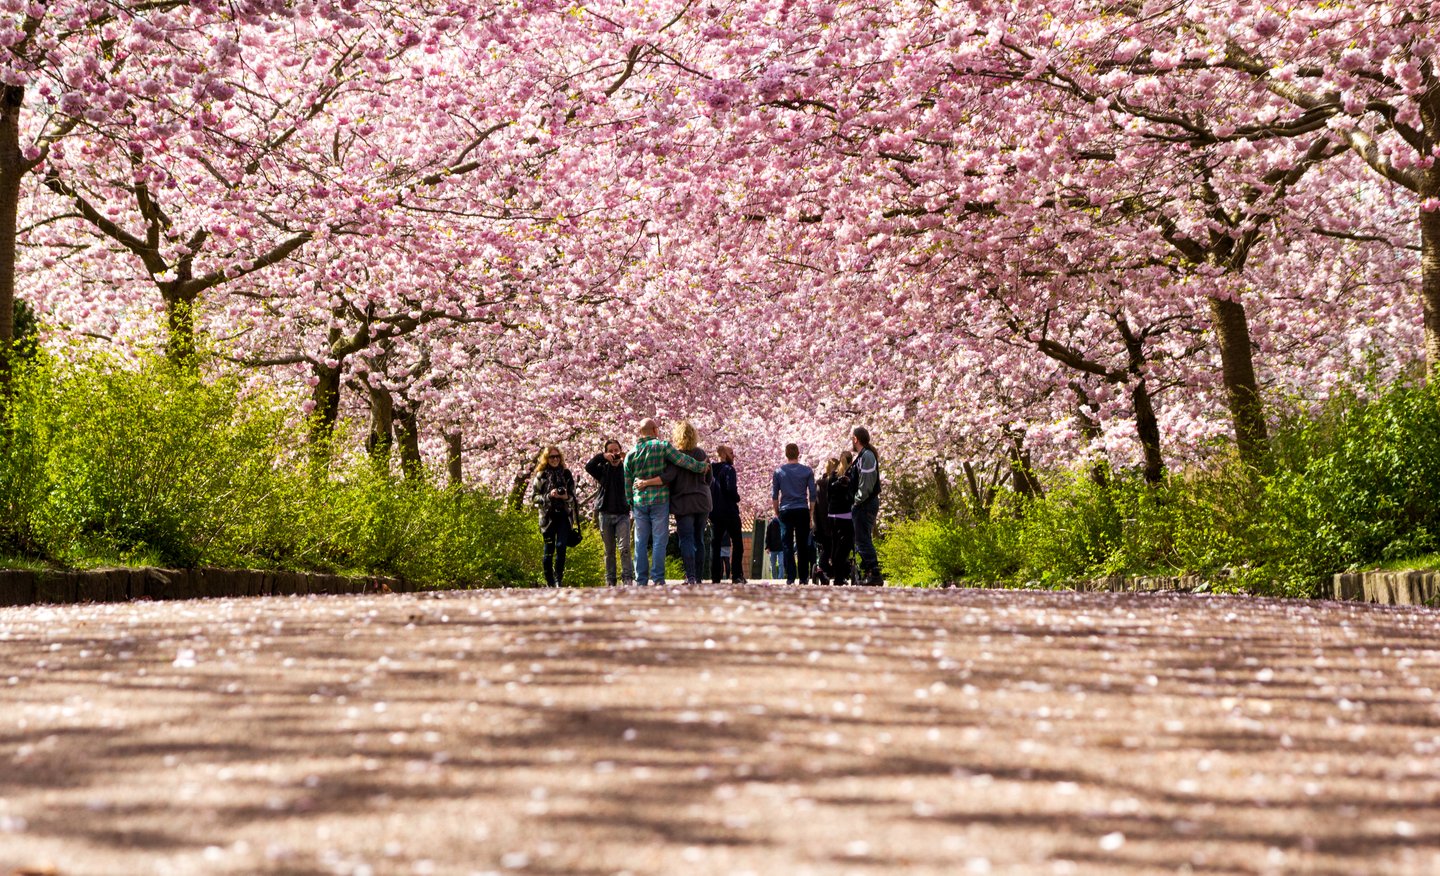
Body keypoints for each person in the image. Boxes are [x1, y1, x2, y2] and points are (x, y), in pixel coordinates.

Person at [624, 418, 709, 586]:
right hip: (660, 500)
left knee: (640, 541)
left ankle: (640, 580)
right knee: (659, 541)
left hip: (640, 501)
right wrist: (701, 467)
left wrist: (631, 501)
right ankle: (658, 578)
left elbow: (627, 482)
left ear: (640, 432)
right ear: (655, 430)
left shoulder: (630, 454)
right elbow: (683, 460)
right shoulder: (663, 447)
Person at [585, 438, 633, 587]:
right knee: (609, 550)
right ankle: (610, 580)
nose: (614, 454)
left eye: (616, 451)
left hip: (622, 514)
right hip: (605, 513)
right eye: (610, 451)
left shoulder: (627, 468)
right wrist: (601, 457)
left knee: (624, 548)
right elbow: (588, 466)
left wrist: (627, 459)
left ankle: (627, 578)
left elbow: (637, 473)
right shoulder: (602, 469)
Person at [530, 445, 579, 588]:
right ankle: (549, 581)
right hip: (547, 517)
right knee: (548, 549)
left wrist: (565, 497)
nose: (555, 459)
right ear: (546, 458)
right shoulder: (541, 475)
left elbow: (573, 497)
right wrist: (548, 496)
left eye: (557, 456)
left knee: (561, 546)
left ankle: (558, 579)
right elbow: (534, 497)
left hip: (564, 515)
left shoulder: (566, 474)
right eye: (552, 457)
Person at [771, 443, 816, 585]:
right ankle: (803, 578)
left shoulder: (779, 471)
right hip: (802, 509)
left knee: (787, 544)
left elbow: (774, 495)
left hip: (785, 510)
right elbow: (813, 494)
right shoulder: (807, 471)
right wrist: (811, 512)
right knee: (803, 545)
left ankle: (790, 576)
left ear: (786, 454)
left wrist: (776, 511)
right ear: (798, 453)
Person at [850, 426, 883, 585]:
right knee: (863, 538)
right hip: (864, 503)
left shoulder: (867, 456)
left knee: (862, 539)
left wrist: (857, 500)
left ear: (855, 439)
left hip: (865, 503)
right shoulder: (864, 456)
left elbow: (867, 483)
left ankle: (874, 573)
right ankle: (870, 572)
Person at [708, 444, 745, 584]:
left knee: (715, 544)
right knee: (737, 544)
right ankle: (736, 575)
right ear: (723, 454)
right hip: (729, 511)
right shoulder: (729, 469)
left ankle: (715, 577)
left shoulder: (711, 469)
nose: (733, 455)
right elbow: (730, 488)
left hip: (715, 512)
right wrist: (737, 498)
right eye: (731, 452)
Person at [824, 451, 856, 584]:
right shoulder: (851, 475)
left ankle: (838, 576)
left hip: (832, 514)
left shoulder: (833, 475)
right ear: (851, 461)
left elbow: (828, 496)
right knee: (845, 546)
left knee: (836, 544)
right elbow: (853, 494)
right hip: (845, 515)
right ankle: (839, 577)